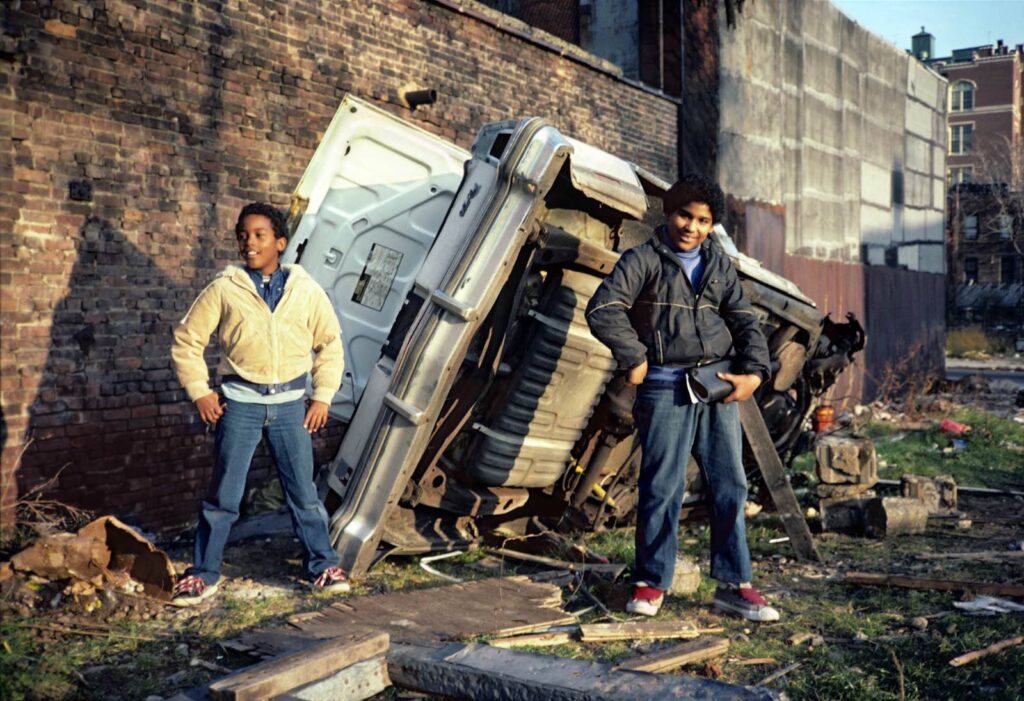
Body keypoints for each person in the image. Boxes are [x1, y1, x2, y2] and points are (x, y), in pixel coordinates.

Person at [585, 173, 779, 622]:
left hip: (717, 385)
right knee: (662, 486)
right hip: (665, 386)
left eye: (703, 220)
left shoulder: (718, 264)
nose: (692, 226)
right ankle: (651, 582)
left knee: (730, 483)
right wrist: (633, 357)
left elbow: (745, 319)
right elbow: (603, 308)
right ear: (669, 213)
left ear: (713, 225)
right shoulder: (643, 259)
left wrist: (754, 372)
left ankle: (735, 586)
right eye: (684, 215)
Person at [169, 202, 348, 606]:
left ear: (280, 243)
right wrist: (199, 390)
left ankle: (323, 566)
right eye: (243, 236)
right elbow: (187, 340)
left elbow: (330, 345)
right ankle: (203, 574)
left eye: (259, 235)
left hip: (290, 409)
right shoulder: (224, 289)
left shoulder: (306, 291)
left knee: (303, 494)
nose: (249, 243)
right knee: (223, 497)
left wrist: (321, 396)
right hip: (240, 407)